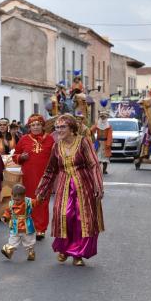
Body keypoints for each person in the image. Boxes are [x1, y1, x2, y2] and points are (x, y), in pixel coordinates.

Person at [36, 114, 104, 267]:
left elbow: (93, 164)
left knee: (82, 219)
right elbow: (50, 170)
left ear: (72, 129)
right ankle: (64, 248)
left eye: (62, 127)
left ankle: (77, 254)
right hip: (64, 185)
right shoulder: (56, 146)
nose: (59, 130)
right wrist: (42, 189)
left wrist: (98, 185)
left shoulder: (83, 142)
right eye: (57, 127)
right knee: (64, 216)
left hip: (83, 186)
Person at [12, 114, 55, 240]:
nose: (36, 127)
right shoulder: (24, 139)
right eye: (33, 125)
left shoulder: (50, 140)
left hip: (45, 177)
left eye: (38, 125)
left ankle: (41, 229)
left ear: (42, 126)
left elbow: (56, 157)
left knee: (43, 202)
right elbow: (15, 156)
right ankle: (29, 227)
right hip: (28, 177)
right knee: (30, 202)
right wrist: (21, 157)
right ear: (29, 127)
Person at [0, 184, 37, 261]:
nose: (16, 201)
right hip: (15, 226)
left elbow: (37, 202)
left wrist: (40, 198)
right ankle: (8, 251)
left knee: (29, 240)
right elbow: (8, 211)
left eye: (18, 200)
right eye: (14, 199)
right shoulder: (11, 203)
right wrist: (4, 217)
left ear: (24, 196)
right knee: (13, 239)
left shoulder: (29, 202)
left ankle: (31, 252)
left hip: (26, 225)